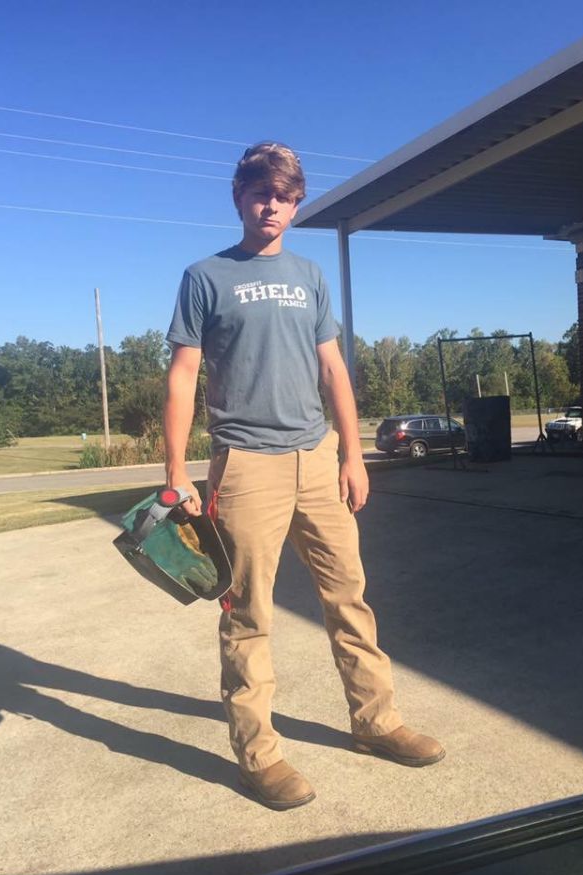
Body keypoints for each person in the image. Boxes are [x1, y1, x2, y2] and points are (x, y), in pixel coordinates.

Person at [163, 142, 444, 810]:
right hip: (245, 464)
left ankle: (375, 722)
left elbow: (332, 368)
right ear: (239, 197)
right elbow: (182, 373)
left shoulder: (310, 276)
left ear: (296, 205)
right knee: (247, 613)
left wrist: (352, 453)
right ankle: (258, 756)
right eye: (261, 192)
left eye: (284, 196)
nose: (272, 205)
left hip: (317, 457)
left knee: (349, 597)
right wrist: (176, 471)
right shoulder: (205, 276)